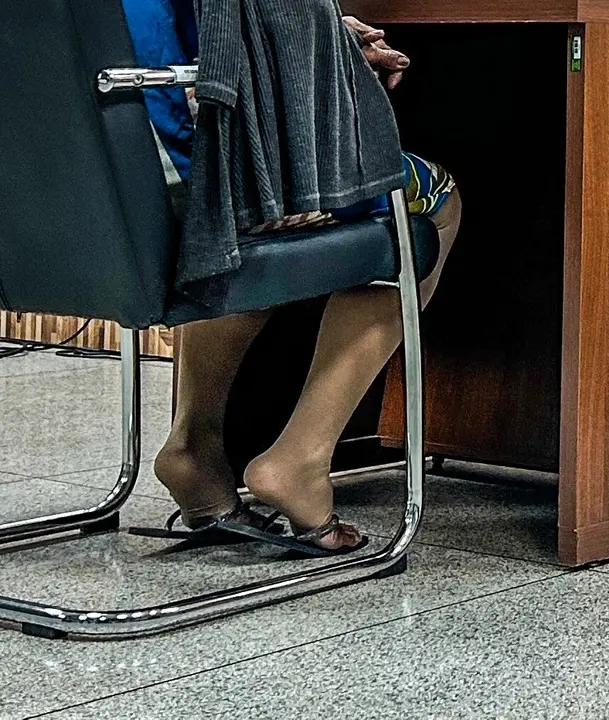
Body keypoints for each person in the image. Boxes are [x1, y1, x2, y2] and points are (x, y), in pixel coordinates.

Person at [121, 0, 461, 555]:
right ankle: (299, 459)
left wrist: (323, 34)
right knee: (437, 203)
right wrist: (323, 43)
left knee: (251, 230)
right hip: (206, 166)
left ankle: (193, 448)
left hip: (103, 182)